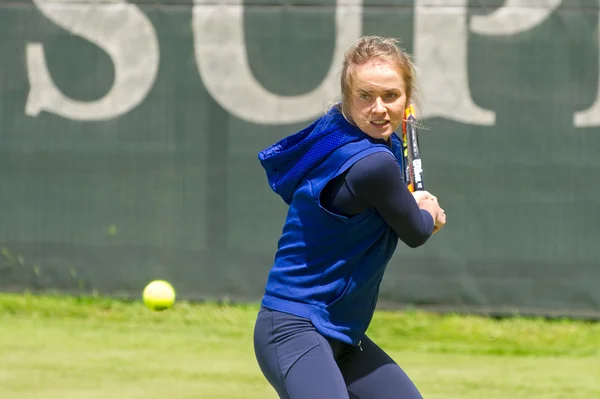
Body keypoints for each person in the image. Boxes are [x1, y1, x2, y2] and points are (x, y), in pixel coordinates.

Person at [253, 35, 446, 399]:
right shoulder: (373, 163)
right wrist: (427, 207)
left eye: (390, 96)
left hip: (341, 335)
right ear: (346, 99)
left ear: (407, 100)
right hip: (293, 328)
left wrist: (413, 203)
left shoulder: (365, 142)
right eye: (365, 96)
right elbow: (418, 231)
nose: (378, 108)